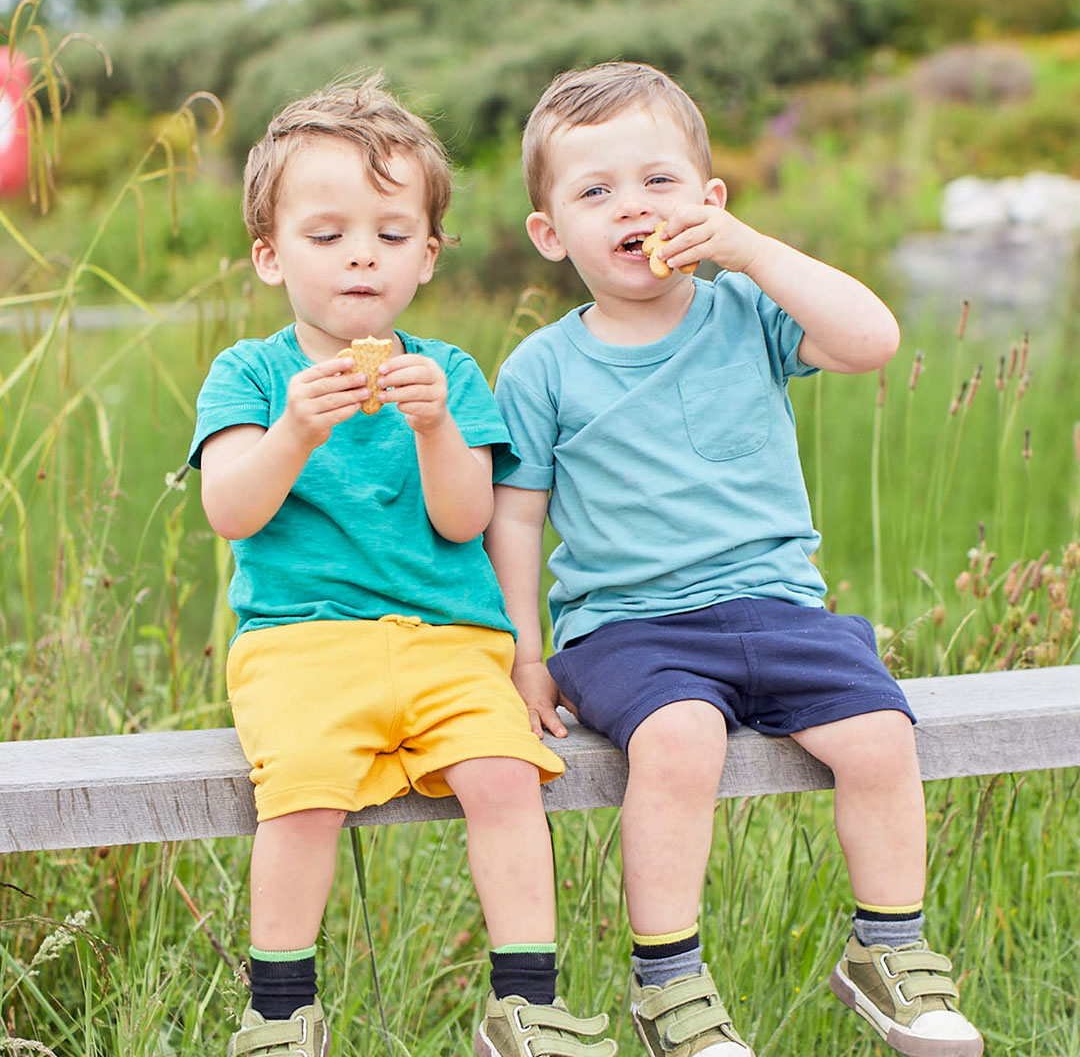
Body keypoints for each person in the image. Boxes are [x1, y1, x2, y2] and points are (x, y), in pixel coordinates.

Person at [485, 61, 983, 1057]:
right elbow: (517, 519)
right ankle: (670, 985)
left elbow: (874, 339)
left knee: (884, 735)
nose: (634, 206)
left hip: (780, 608)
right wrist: (523, 654)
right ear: (551, 235)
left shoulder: (747, 314)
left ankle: (890, 954)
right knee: (679, 743)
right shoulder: (544, 365)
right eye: (595, 191)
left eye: (659, 181)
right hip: (629, 630)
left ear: (709, 201)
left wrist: (754, 254)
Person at [189, 76, 617, 1057]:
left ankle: (526, 1002)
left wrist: (433, 428)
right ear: (270, 256)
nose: (360, 258)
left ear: (427, 255)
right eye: (327, 234)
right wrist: (295, 426)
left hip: (446, 642)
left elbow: (466, 519)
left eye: (390, 235)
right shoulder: (251, 377)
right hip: (301, 643)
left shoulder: (450, 375)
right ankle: (279, 1012)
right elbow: (230, 507)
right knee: (299, 788)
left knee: (508, 775)